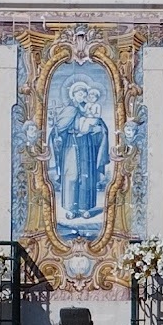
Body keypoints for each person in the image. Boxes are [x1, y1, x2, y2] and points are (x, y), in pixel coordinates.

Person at [49, 77, 112, 228]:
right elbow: (58, 128)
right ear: (73, 95)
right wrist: (58, 135)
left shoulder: (91, 108)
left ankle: (85, 208)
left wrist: (99, 130)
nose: (82, 96)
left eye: (84, 93)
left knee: (87, 176)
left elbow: (101, 127)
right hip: (71, 145)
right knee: (71, 175)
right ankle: (71, 208)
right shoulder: (69, 109)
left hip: (87, 146)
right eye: (79, 93)